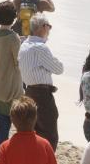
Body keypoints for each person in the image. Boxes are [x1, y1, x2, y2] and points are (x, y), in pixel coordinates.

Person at [18, 14, 64, 149]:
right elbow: (59, 69)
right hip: (42, 94)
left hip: (29, 91)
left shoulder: (25, 44)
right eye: (49, 26)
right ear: (43, 27)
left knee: (34, 131)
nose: (49, 29)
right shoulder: (40, 47)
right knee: (50, 133)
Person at [0, 1, 22, 147]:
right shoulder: (13, 38)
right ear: (14, 18)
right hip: (10, 86)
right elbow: (18, 62)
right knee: (5, 124)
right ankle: (2, 155)